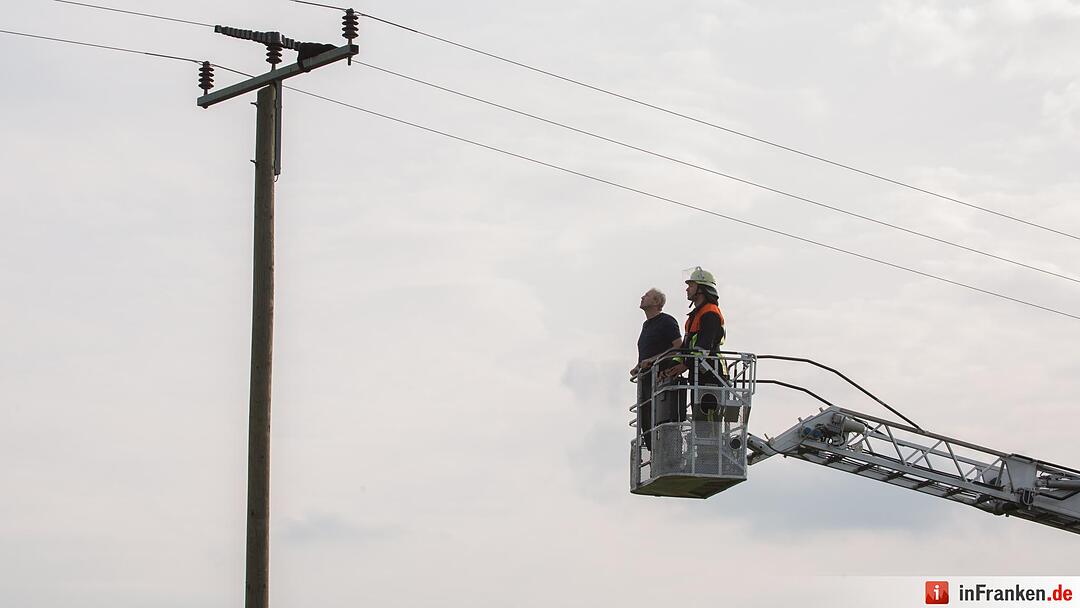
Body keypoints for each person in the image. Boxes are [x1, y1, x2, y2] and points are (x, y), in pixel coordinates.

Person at [631, 288, 681, 450]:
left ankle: (671, 456)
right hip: (646, 381)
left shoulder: (667, 321)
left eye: (646, 296)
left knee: (663, 420)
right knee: (647, 422)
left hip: (661, 380)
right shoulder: (646, 325)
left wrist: (653, 361)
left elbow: (678, 347)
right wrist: (638, 366)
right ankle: (656, 457)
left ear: (656, 302)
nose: (642, 297)